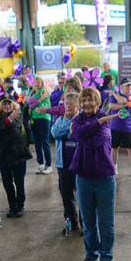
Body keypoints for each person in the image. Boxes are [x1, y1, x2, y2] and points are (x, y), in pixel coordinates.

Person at [71, 86, 118, 261]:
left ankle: (106, 256)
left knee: (105, 222)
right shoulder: (81, 119)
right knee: (88, 221)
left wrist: (94, 127)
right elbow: (77, 134)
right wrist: (97, 124)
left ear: (98, 102)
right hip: (83, 178)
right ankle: (91, 254)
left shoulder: (106, 122)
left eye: (90, 100)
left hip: (104, 179)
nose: (86, 103)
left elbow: (95, 141)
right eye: (83, 100)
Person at [0, 98, 32, 218]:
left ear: (13, 105)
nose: (7, 105)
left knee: (19, 182)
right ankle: (12, 206)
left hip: (18, 154)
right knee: (7, 183)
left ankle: (20, 206)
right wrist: (9, 119)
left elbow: (15, 127)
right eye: (4, 103)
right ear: (1, 106)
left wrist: (9, 120)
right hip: (4, 156)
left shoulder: (19, 116)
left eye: (9, 103)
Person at [51, 91, 82, 236]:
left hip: (80, 165)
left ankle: (85, 225)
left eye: (71, 104)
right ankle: (72, 224)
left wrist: (71, 126)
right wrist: (68, 123)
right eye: (66, 104)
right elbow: (55, 133)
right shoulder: (60, 120)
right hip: (63, 165)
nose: (68, 106)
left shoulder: (82, 119)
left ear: (78, 105)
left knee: (83, 196)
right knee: (66, 196)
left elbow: (80, 131)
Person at [106, 78, 131, 177]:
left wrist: (116, 96)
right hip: (115, 127)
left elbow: (122, 100)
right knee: (114, 148)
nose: (129, 88)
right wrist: (125, 105)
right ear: (121, 87)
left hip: (129, 128)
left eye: (130, 86)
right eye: (127, 86)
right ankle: (114, 168)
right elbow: (111, 106)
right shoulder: (115, 96)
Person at [28, 76, 53, 175]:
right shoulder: (32, 93)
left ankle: (49, 165)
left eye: (39, 82)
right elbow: (29, 104)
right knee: (37, 143)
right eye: (35, 82)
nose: (37, 84)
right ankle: (41, 164)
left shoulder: (44, 91)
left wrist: (33, 103)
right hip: (34, 119)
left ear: (42, 83)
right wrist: (37, 101)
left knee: (45, 142)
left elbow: (30, 103)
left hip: (44, 118)